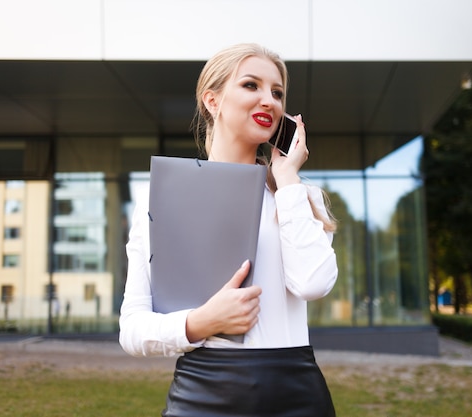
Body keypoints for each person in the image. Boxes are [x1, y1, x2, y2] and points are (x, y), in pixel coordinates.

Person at [119, 43, 338, 416]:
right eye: (251, 85)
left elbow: (313, 284)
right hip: (203, 394)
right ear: (212, 101)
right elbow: (133, 329)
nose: (268, 100)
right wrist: (201, 322)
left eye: (277, 92)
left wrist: (287, 179)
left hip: (296, 394)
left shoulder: (298, 196)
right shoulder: (163, 199)